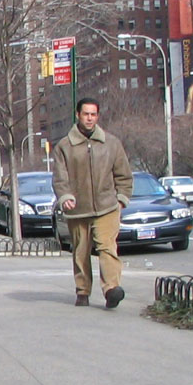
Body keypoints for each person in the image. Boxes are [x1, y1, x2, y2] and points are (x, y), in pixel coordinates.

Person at [53, 97, 133, 309]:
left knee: (107, 247)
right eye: (86, 114)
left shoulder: (111, 143)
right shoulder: (64, 146)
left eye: (93, 114)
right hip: (78, 209)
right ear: (78, 115)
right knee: (81, 251)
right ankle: (83, 290)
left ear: (97, 116)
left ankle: (111, 289)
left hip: (107, 206)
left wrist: (122, 198)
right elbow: (60, 179)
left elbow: (123, 174)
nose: (89, 118)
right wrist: (65, 197)